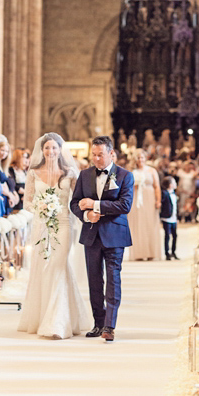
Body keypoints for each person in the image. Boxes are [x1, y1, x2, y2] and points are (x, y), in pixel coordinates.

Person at [18, 132, 90, 339]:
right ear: (42, 150)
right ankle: (43, 316)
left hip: (64, 223)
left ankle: (58, 322)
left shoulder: (69, 173)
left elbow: (77, 200)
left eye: (54, 148)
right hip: (41, 225)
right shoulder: (33, 173)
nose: (50, 151)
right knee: (44, 267)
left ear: (60, 150)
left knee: (58, 265)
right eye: (47, 148)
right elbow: (28, 201)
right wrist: (41, 208)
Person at [70, 135, 133, 342]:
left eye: (100, 155)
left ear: (111, 153)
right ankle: (98, 322)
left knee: (113, 279)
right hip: (91, 234)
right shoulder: (84, 175)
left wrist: (95, 205)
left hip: (115, 234)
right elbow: (75, 203)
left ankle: (109, 325)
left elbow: (125, 206)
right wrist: (86, 215)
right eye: (94, 155)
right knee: (94, 280)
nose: (96, 159)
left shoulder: (125, 176)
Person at [128, 149, 163, 261]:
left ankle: (151, 252)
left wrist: (158, 200)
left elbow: (157, 186)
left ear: (145, 158)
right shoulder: (131, 171)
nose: (140, 160)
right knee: (138, 224)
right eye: (138, 158)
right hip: (136, 199)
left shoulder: (152, 171)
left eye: (142, 157)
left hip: (149, 197)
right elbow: (126, 187)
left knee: (150, 223)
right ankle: (139, 252)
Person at [160, 176, 178, 260]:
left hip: (173, 218)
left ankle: (173, 252)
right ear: (170, 185)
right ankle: (167, 253)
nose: (176, 184)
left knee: (175, 235)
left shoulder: (174, 193)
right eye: (174, 182)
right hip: (166, 218)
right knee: (167, 235)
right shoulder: (164, 193)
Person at [7, 147, 29, 212]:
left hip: (24, 199)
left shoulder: (23, 170)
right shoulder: (11, 169)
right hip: (16, 198)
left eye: (26, 157)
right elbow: (12, 184)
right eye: (23, 157)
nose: (25, 159)